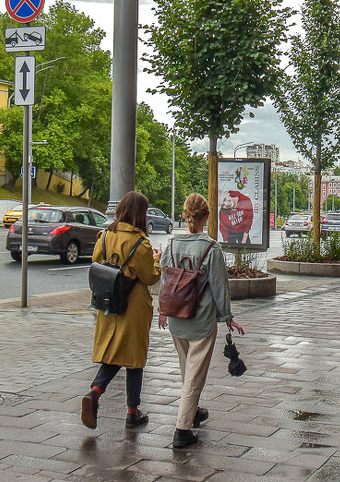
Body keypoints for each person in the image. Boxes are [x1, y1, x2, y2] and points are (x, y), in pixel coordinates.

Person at [158, 193, 245, 449]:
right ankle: (182, 431)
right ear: (207, 216)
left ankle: (193, 412)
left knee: (188, 370)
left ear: (186, 215)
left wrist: (162, 311)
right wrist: (228, 317)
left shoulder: (172, 244)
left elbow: (164, 280)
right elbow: (219, 286)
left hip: (175, 318)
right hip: (201, 321)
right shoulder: (210, 247)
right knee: (195, 376)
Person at [82, 192, 161, 431]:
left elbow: (96, 264)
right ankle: (132, 411)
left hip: (109, 303)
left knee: (113, 353)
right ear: (140, 214)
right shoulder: (141, 243)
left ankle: (95, 391)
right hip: (134, 305)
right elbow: (150, 277)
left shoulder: (104, 237)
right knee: (134, 359)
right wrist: (156, 259)